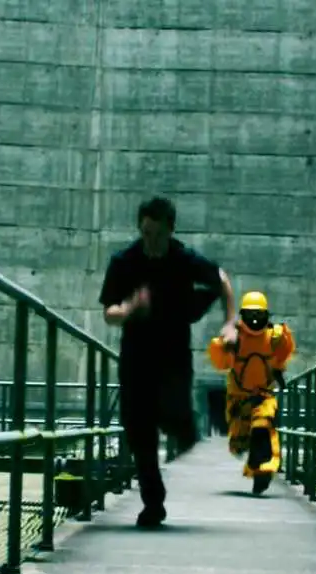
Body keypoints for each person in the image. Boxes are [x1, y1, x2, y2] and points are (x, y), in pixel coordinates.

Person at [99, 196, 237, 528]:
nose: (152, 242)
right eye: (146, 233)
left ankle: (185, 429)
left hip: (173, 354)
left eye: (158, 235)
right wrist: (129, 308)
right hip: (136, 355)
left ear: (171, 230)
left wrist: (231, 322)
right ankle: (153, 503)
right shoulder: (125, 261)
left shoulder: (183, 258)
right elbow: (109, 312)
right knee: (139, 429)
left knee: (174, 415)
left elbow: (221, 280)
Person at [206, 290, 295, 495]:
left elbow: (284, 355)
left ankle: (262, 471)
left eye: (259, 314)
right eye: (250, 314)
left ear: (266, 315)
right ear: (242, 315)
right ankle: (254, 462)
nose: (255, 319)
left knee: (263, 426)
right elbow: (220, 362)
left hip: (263, 395)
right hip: (239, 399)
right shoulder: (235, 339)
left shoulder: (275, 337)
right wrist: (224, 345)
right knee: (239, 442)